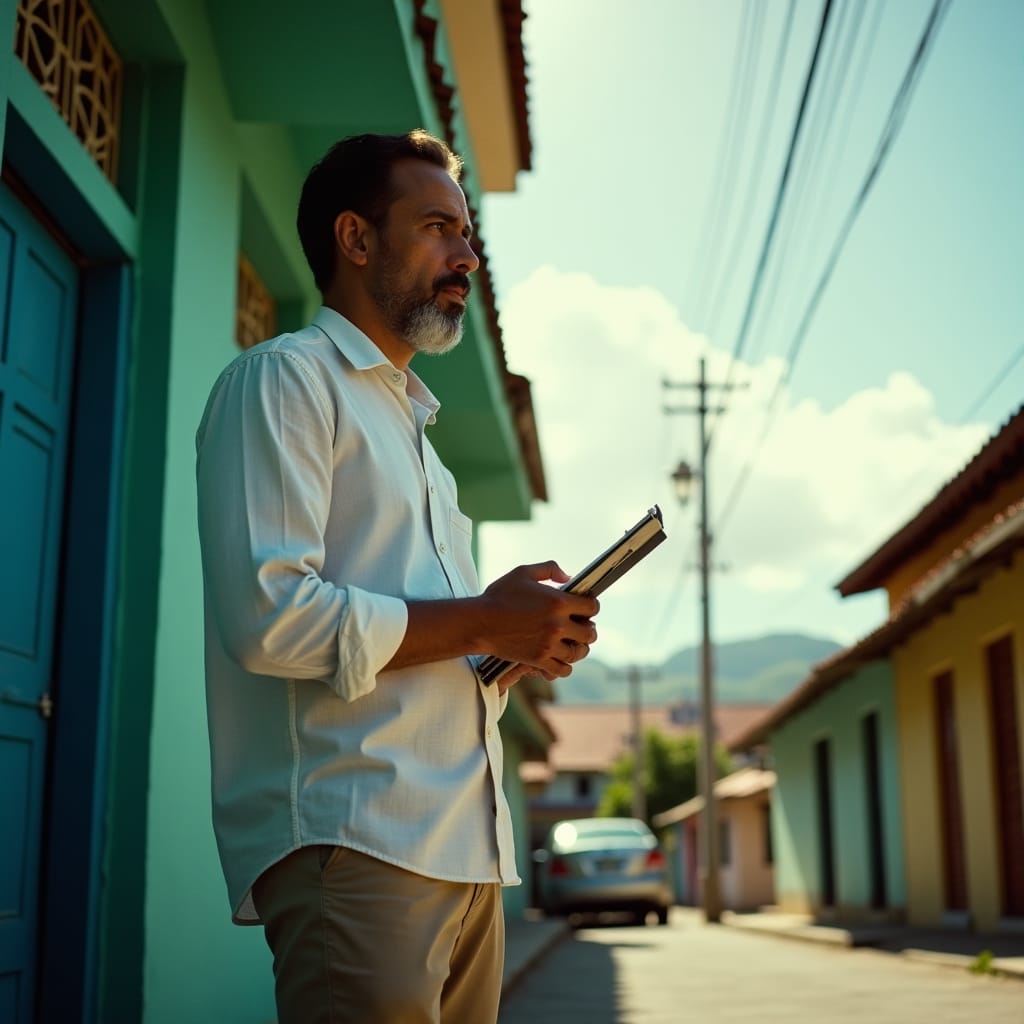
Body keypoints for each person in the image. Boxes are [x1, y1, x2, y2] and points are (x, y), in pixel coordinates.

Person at [195, 129, 600, 1024]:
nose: (467, 256)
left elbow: (428, 640)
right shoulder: (283, 381)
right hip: (360, 846)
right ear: (356, 238)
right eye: (439, 227)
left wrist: (512, 645)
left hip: (468, 855)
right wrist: (484, 622)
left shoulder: (422, 445)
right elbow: (270, 617)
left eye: (469, 235)